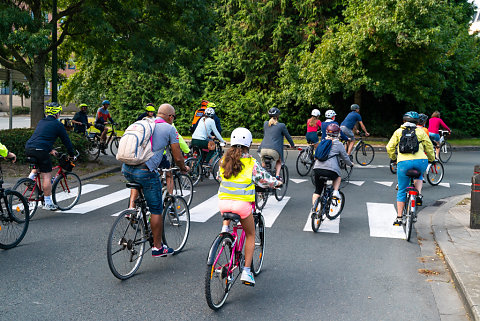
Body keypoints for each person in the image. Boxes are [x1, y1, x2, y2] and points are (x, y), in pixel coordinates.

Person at [122, 103, 189, 257]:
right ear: (171, 117)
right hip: (145, 171)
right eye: (174, 117)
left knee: (142, 191)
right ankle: (158, 247)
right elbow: (177, 156)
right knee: (156, 209)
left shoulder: (145, 123)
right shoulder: (170, 128)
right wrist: (183, 168)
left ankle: (134, 209)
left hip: (127, 168)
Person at [218, 127, 282, 286]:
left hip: (223, 203)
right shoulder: (251, 163)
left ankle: (225, 230)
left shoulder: (223, 160)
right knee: (250, 235)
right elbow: (264, 179)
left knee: (229, 215)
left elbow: (220, 177)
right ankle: (247, 271)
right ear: (249, 144)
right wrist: (277, 183)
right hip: (242, 206)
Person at [386, 111, 435, 226]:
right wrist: (432, 159)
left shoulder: (398, 132)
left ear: (404, 121)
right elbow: (429, 146)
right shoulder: (421, 132)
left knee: (402, 189)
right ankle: (417, 195)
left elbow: (389, 147)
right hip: (420, 162)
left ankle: (399, 217)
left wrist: (393, 158)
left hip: (404, 163)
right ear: (417, 122)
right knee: (419, 175)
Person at [25, 103, 76, 211]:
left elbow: (41, 137)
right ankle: (48, 203)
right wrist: (72, 155)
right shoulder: (58, 125)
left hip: (29, 148)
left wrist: (50, 150)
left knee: (37, 167)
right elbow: (67, 142)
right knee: (47, 176)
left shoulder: (41, 121)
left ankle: (30, 178)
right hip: (41, 150)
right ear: (57, 113)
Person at [311, 123, 353, 214]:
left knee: (317, 191)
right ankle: (335, 192)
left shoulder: (321, 142)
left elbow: (315, 156)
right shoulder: (339, 144)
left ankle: (315, 210)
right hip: (331, 170)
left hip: (317, 169)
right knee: (338, 177)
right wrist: (350, 164)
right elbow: (345, 158)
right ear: (338, 133)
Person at [258, 107, 295, 178]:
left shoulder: (265, 124)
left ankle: (264, 174)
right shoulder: (281, 126)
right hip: (274, 150)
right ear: (278, 116)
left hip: (263, 149)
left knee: (263, 162)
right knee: (279, 161)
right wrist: (292, 145)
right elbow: (288, 137)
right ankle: (277, 176)